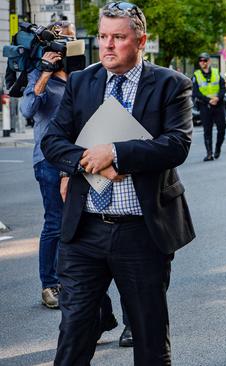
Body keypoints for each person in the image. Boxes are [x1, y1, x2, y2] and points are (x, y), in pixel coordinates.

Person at [41, 2, 195, 364]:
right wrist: (86, 160)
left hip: (141, 232)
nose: (108, 45)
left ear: (140, 41)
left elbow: (177, 144)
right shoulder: (82, 81)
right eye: (103, 36)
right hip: (85, 230)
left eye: (119, 37)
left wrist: (116, 152)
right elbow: (53, 140)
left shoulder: (171, 84)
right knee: (75, 328)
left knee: (148, 335)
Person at [19, 20, 75, 310]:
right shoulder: (39, 74)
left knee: (77, 222)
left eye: (72, 38)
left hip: (79, 158)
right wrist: (44, 71)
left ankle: (72, 280)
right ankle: (49, 285)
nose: (68, 43)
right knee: (55, 222)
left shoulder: (81, 76)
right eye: (64, 38)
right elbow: (28, 109)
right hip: (49, 160)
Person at [192, 52, 226, 161]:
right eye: (201, 61)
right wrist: (209, 100)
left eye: (205, 60)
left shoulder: (216, 72)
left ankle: (217, 149)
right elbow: (196, 92)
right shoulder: (196, 75)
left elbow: (223, 87)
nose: (203, 63)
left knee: (222, 129)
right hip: (205, 106)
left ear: (209, 61)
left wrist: (217, 98)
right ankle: (209, 153)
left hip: (218, 105)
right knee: (207, 130)